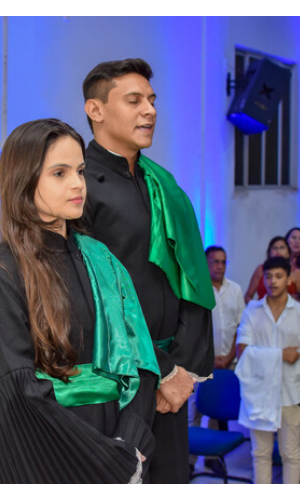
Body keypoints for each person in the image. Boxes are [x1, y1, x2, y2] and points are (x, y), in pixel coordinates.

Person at [0, 119, 160, 483]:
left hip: (119, 450)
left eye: (80, 171)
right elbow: (17, 397)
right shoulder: (0, 275)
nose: (78, 184)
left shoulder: (103, 261)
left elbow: (140, 361)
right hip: (41, 460)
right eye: (59, 173)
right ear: (24, 181)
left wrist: (128, 447)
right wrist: (106, 463)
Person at [81, 58, 214, 484]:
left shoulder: (160, 183)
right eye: (134, 100)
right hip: (117, 375)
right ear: (96, 110)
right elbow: (93, 297)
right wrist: (162, 370)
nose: (150, 111)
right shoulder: (80, 188)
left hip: (171, 381)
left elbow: (189, 277)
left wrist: (184, 370)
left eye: (152, 100)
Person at [236, 257, 300, 484]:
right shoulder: (252, 311)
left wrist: (291, 369)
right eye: (269, 276)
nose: (273, 281)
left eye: (279, 276)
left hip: (290, 392)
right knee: (260, 453)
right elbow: (242, 352)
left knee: (290, 452)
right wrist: (280, 356)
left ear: (289, 279)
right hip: (259, 392)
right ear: (263, 279)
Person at [189, 245, 245, 474]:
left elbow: (241, 327)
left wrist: (230, 356)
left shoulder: (235, 290)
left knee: (217, 410)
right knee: (194, 411)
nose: (220, 266)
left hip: (228, 361)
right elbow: (193, 329)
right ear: (205, 262)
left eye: (223, 262)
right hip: (202, 362)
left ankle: (213, 458)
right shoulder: (197, 288)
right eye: (215, 261)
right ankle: (189, 461)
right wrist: (209, 358)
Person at [245, 236, 300, 303]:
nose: (278, 251)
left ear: (288, 252)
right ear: (269, 252)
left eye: (282, 248)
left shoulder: (296, 272)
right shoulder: (261, 269)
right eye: (275, 248)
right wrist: (256, 307)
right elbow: (248, 296)